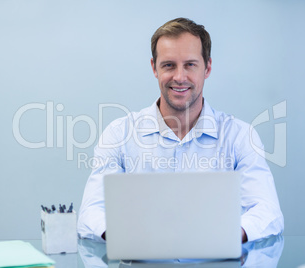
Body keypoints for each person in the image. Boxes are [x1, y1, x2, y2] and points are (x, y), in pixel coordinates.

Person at [77, 17, 284, 243]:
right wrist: (126, 237)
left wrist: (225, 236)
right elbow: (90, 214)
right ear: (154, 68)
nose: (179, 77)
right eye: (168, 65)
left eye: (190, 65)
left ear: (208, 67)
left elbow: (268, 212)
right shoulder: (119, 134)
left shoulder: (240, 136)